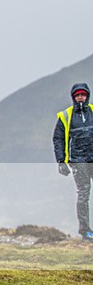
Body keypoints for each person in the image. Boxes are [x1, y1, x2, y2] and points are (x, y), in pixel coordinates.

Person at [54, 83, 93, 240]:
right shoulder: (65, 116)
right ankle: (86, 231)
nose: (80, 97)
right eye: (77, 95)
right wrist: (61, 161)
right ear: (73, 97)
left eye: (83, 95)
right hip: (78, 161)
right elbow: (58, 139)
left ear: (87, 96)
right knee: (83, 195)